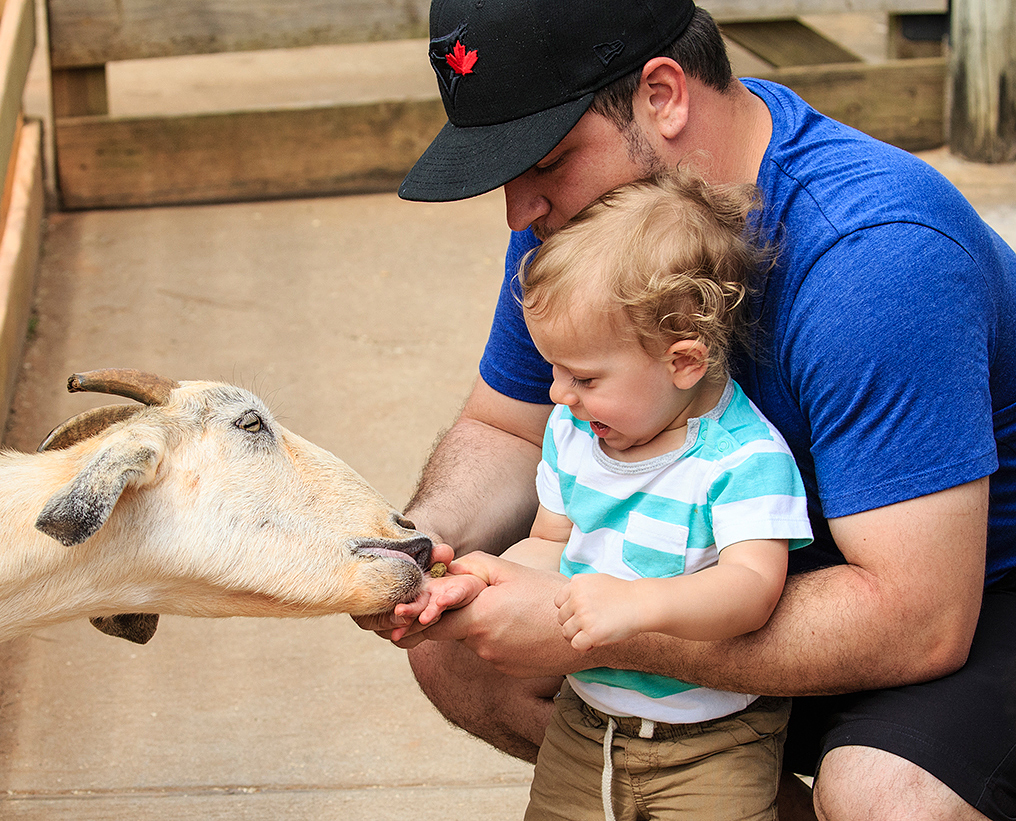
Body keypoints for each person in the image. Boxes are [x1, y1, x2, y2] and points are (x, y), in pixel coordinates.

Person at [357, 0, 1016, 818]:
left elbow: (919, 620)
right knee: (461, 653)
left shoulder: (875, 257)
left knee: (885, 794)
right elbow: (506, 427)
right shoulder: (586, 228)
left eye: (548, 161)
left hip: (968, 599)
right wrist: (413, 551)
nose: (520, 210)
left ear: (663, 95)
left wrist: (593, 621)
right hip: (733, 574)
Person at [394, 170, 814, 820]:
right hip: (587, 722)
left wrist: (639, 604)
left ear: (684, 362)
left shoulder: (743, 460)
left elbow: (752, 589)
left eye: (584, 375)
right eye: (554, 370)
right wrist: (485, 577)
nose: (558, 394)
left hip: (717, 740)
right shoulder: (576, 433)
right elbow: (552, 541)